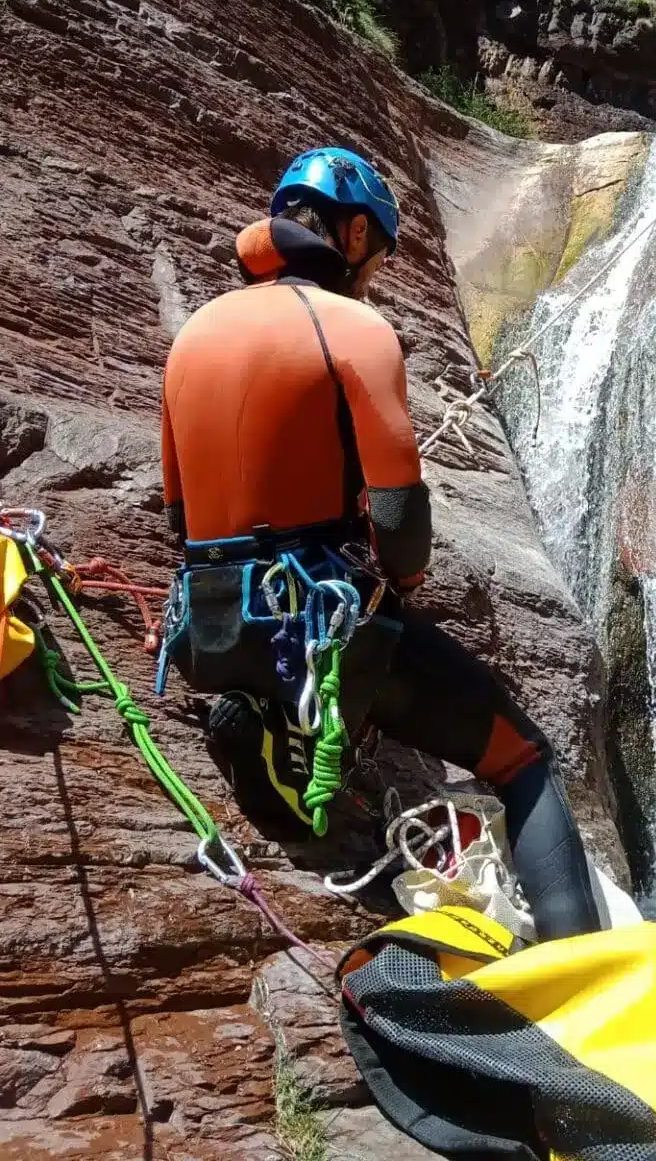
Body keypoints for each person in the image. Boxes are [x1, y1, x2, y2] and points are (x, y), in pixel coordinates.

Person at [159, 147, 601, 941]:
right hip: (310, 629)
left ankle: (268, 730)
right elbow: (399, 521)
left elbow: (177, 516)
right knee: (521, 758)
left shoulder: (194, 334)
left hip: (206, 627)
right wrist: (402, 576)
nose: (375, 279)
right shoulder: (355, 328)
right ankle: (592, 969)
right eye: (380, 260)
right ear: (356, 233)